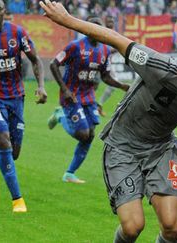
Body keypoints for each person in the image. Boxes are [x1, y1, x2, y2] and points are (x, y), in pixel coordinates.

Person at [39, 1, 177, 242]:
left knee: (173, 228)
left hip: (161, 149)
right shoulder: (161, 67)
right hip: (122, 147)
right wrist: (68, 21)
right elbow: (116, 39)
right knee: (133, 227)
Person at [47, 15, 129, 184]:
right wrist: (64, 89)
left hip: (88, 97)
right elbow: (53, 64)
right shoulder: (75, 47)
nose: (97, 30)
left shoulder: (104, 50)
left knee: (90, 135)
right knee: (82, 133)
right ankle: (60, 116)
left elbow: (105, 76)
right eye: (93, 27)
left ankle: (69, 173)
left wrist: (121, 86)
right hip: (71, 96)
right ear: (85, 28)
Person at [0, 0, 47, 212]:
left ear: (4, 12)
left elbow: (36, 60)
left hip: (16, 96)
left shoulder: (18, 33)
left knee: (13, 152)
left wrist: (40, 87)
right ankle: (18, 200)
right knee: (3, 140)